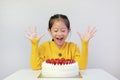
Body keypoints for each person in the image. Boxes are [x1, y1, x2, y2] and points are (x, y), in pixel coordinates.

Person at [25, 14, 96, 70]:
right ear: (50, 31)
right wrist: (34, 44)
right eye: (55, 30)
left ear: (68, 31)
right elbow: (35, 67)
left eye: (63, 30)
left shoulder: (73, 47)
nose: (59, 34)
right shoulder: (44, 47)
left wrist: (85, 44)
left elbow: (81, 67)